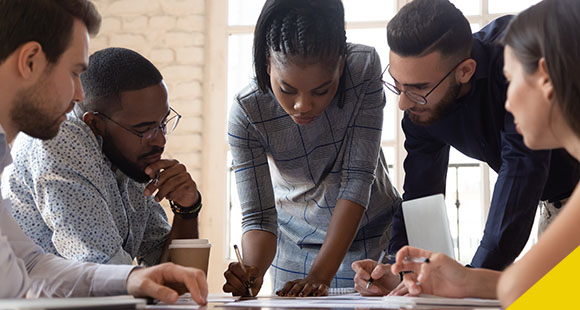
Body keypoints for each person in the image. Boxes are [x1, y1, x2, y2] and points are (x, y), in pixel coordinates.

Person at [357, 0, 580, 307]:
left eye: (513, 82)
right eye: (397, 85)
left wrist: (471, 278)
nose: (403, 104)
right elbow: (421, 195)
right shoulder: (420, 102)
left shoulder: (515, 50)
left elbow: (521, 174)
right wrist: (403, 270)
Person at [0, 0, 206, 304]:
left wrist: (132, 277)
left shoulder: (130, 161)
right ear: (30, 61)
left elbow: (29, 265)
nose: (80, 95)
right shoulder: (63, 138)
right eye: (73, 73)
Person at [223, 0, 400, 297]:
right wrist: (250, 273)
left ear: (341, 66)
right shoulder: (247, 111)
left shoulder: (363, 68)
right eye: (287, 89)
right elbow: (258, 217)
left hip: (375, 240)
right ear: (267, 64)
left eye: (322, 90)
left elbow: (357, 180)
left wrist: (320, 275)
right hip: (294, 249)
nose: (302, 106)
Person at [2, 47, 201, 266]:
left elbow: (174, 277)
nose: (160, 140)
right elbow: (108, 275)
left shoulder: (131, 159)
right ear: (94, 124)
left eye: (162, 123)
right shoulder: (59, 140)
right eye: (144, 129)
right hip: (22, 297)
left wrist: (187, 208)